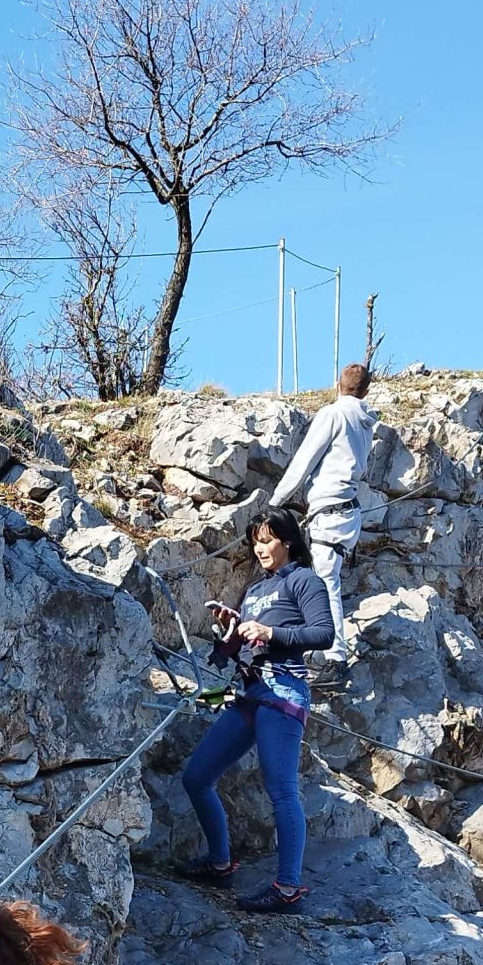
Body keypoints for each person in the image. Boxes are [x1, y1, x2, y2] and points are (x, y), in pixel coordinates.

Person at [178, 506, 332, 911]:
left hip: (283, 692)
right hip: (250, 692)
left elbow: (325, 633)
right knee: (196, 777)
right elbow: (243, 646)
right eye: (255, 542)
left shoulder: (304, 580)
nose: (259, 548)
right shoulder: (256, 588)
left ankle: (288, 888)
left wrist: (269, 631)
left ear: (287, 540)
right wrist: (232, 626)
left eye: (266, 540)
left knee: (281, 790)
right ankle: (221, 863)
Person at [266, 361, 376, 660]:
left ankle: (335, 656)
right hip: (349, 511)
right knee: (322, 579)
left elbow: (304, 460)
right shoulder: (366, 423)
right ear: (366, 391)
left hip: (329, 511)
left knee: (326, 584)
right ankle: (312, 643)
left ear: (338, 385)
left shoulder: (333, 414)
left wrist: (275, 501)